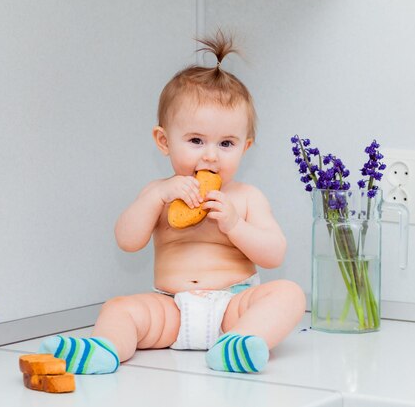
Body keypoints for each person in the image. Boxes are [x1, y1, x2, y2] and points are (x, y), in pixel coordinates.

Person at [39, 30, 306, 374]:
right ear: (164, 141)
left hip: (231, 307)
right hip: (172, 309)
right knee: (119, 308)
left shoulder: (246, 197)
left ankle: (239, 343)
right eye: (196, 140)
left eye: (226, 144)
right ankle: (104, 351)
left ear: (246, 148)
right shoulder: (159, 191)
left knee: (289, 294)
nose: (211, 155)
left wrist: (235, 225)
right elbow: (127, 240)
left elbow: (275, 254)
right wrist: (156, 198)